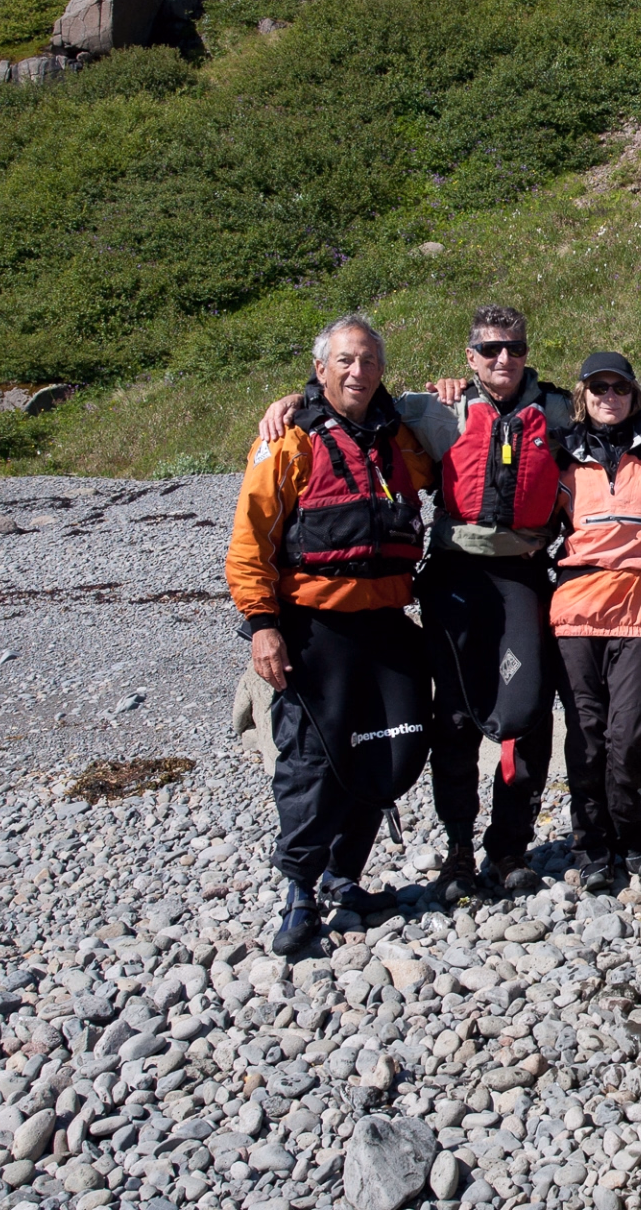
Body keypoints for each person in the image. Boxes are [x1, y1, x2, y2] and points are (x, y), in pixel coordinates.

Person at [258, 305, 573, 901]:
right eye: (488, 350)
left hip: (524, 574)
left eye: (513, 348)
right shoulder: (433, 409)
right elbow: (350, 401)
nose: (501, 359)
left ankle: (508, 849)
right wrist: (290, 404)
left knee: (526, 713)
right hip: (455, 576)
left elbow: (619, 409)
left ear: (527, 352)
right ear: (469, 356)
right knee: (453, 717)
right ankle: (457, 853)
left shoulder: (558, 411)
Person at [226, 314, 435, 956]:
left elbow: (445, 464)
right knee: (312, 764)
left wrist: (450, 393)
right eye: (345, 361)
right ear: (321, 369)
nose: (358, 372)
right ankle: (299, 891)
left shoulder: (398, 436)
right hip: (314, 626)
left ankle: (347, 881)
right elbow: (248, 543)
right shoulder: (289, 439)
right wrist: (263, 627)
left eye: (369, 361)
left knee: (385, 750)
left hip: (386, 621)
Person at [550, 352, 641, 892]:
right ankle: (592, 843)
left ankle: (630, 829)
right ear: (582, 395)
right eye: (598, 387)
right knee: (585, 732)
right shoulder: (559, 453)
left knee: (630, 731)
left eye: (619, 387)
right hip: (576, 608)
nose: (609, 396)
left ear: (634, 394)